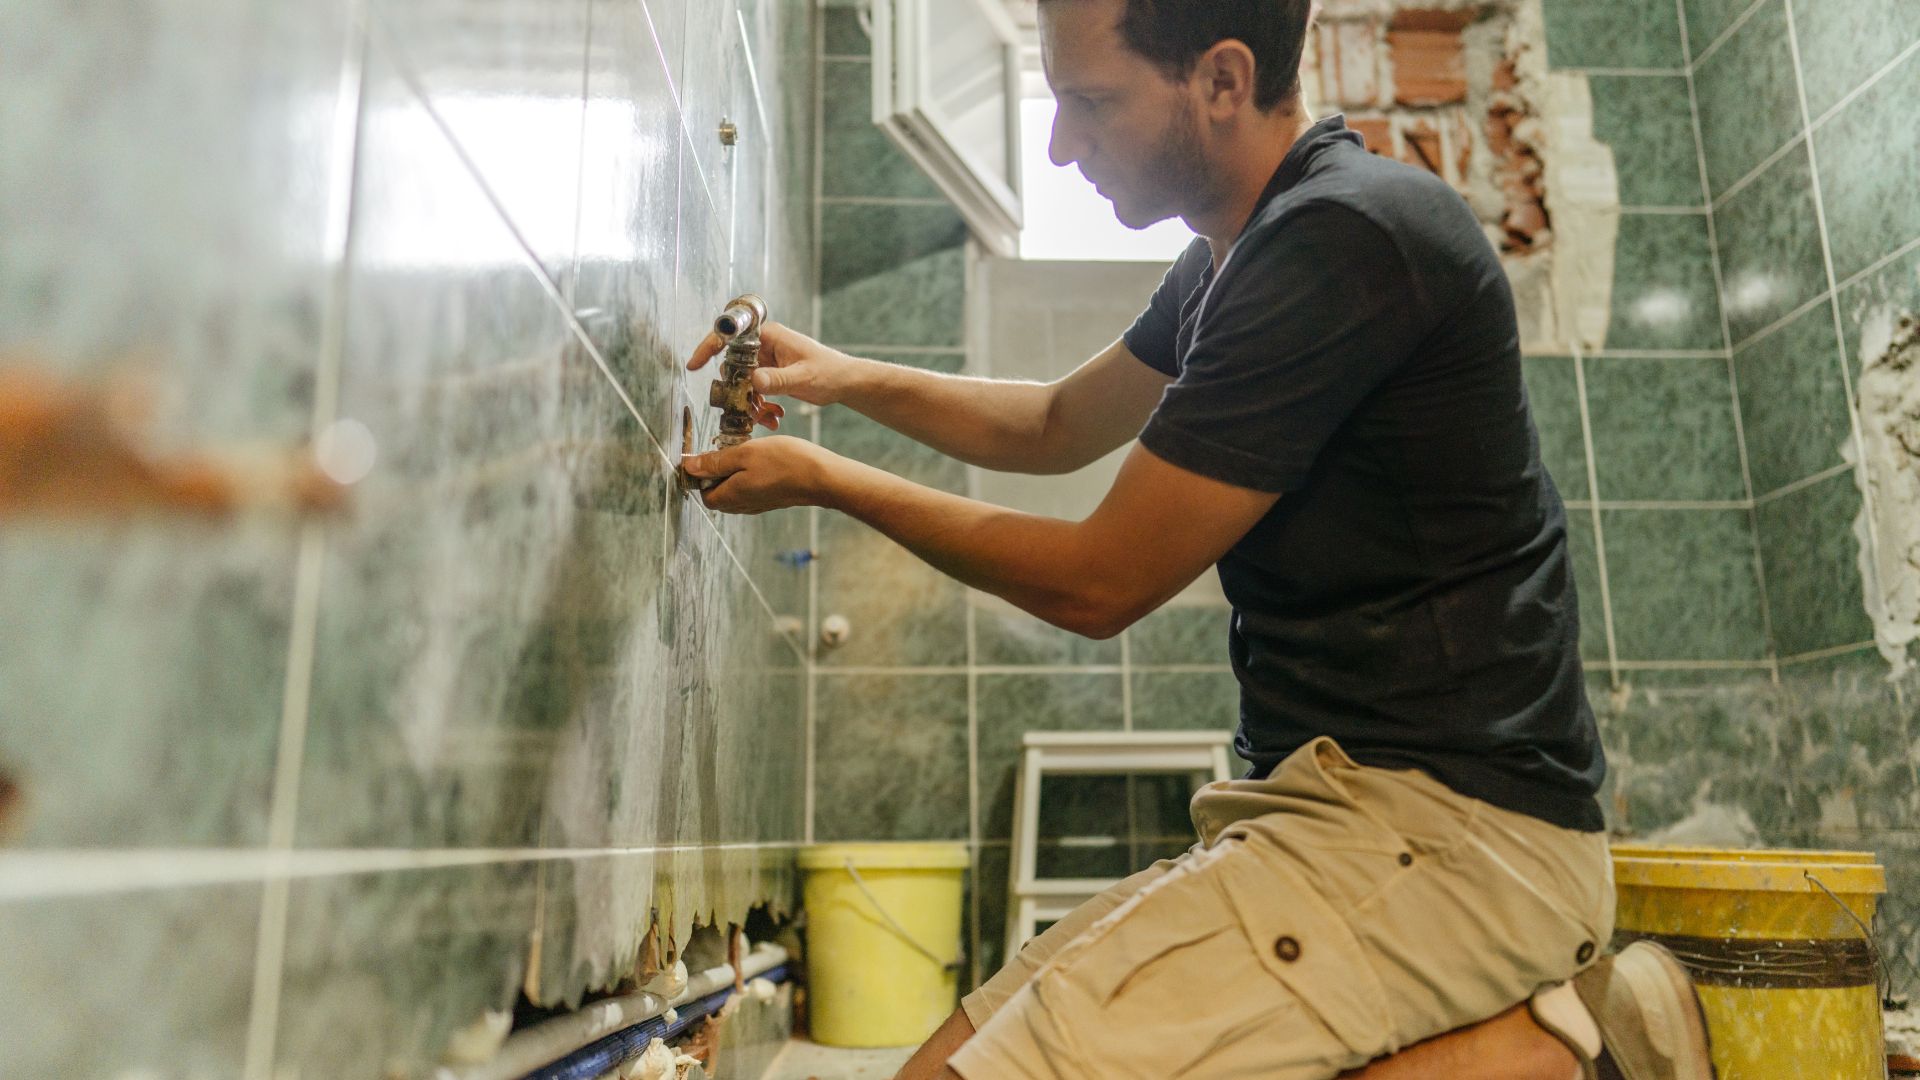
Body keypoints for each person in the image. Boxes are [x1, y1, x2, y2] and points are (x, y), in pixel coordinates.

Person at [684, 1, 1715, 1076]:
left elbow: (1099, 583)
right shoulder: (1232, 256)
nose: (1059, 143)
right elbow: (1054, 425)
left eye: (1089, 102)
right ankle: (1560, 1043)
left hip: (1460, 834)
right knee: (953, 1053)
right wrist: (840, 378)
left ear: (1223, 81)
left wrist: (824, 480)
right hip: (1322, 811)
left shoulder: (1343, 237)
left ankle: (1572, 1051)